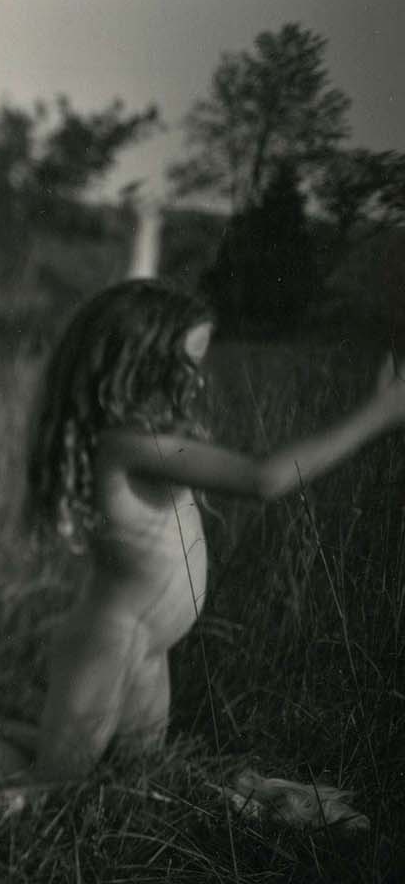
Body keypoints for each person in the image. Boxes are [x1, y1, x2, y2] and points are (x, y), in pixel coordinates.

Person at [26, 279, 405, 779]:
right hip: (107, 644)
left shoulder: (145, 440)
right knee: (51, 791)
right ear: (141, 365)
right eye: (188, 364)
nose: (198, 381)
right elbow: (262, 477)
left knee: (139, 777)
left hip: (147, 646)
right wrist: (375, 417)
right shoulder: (126, 444)